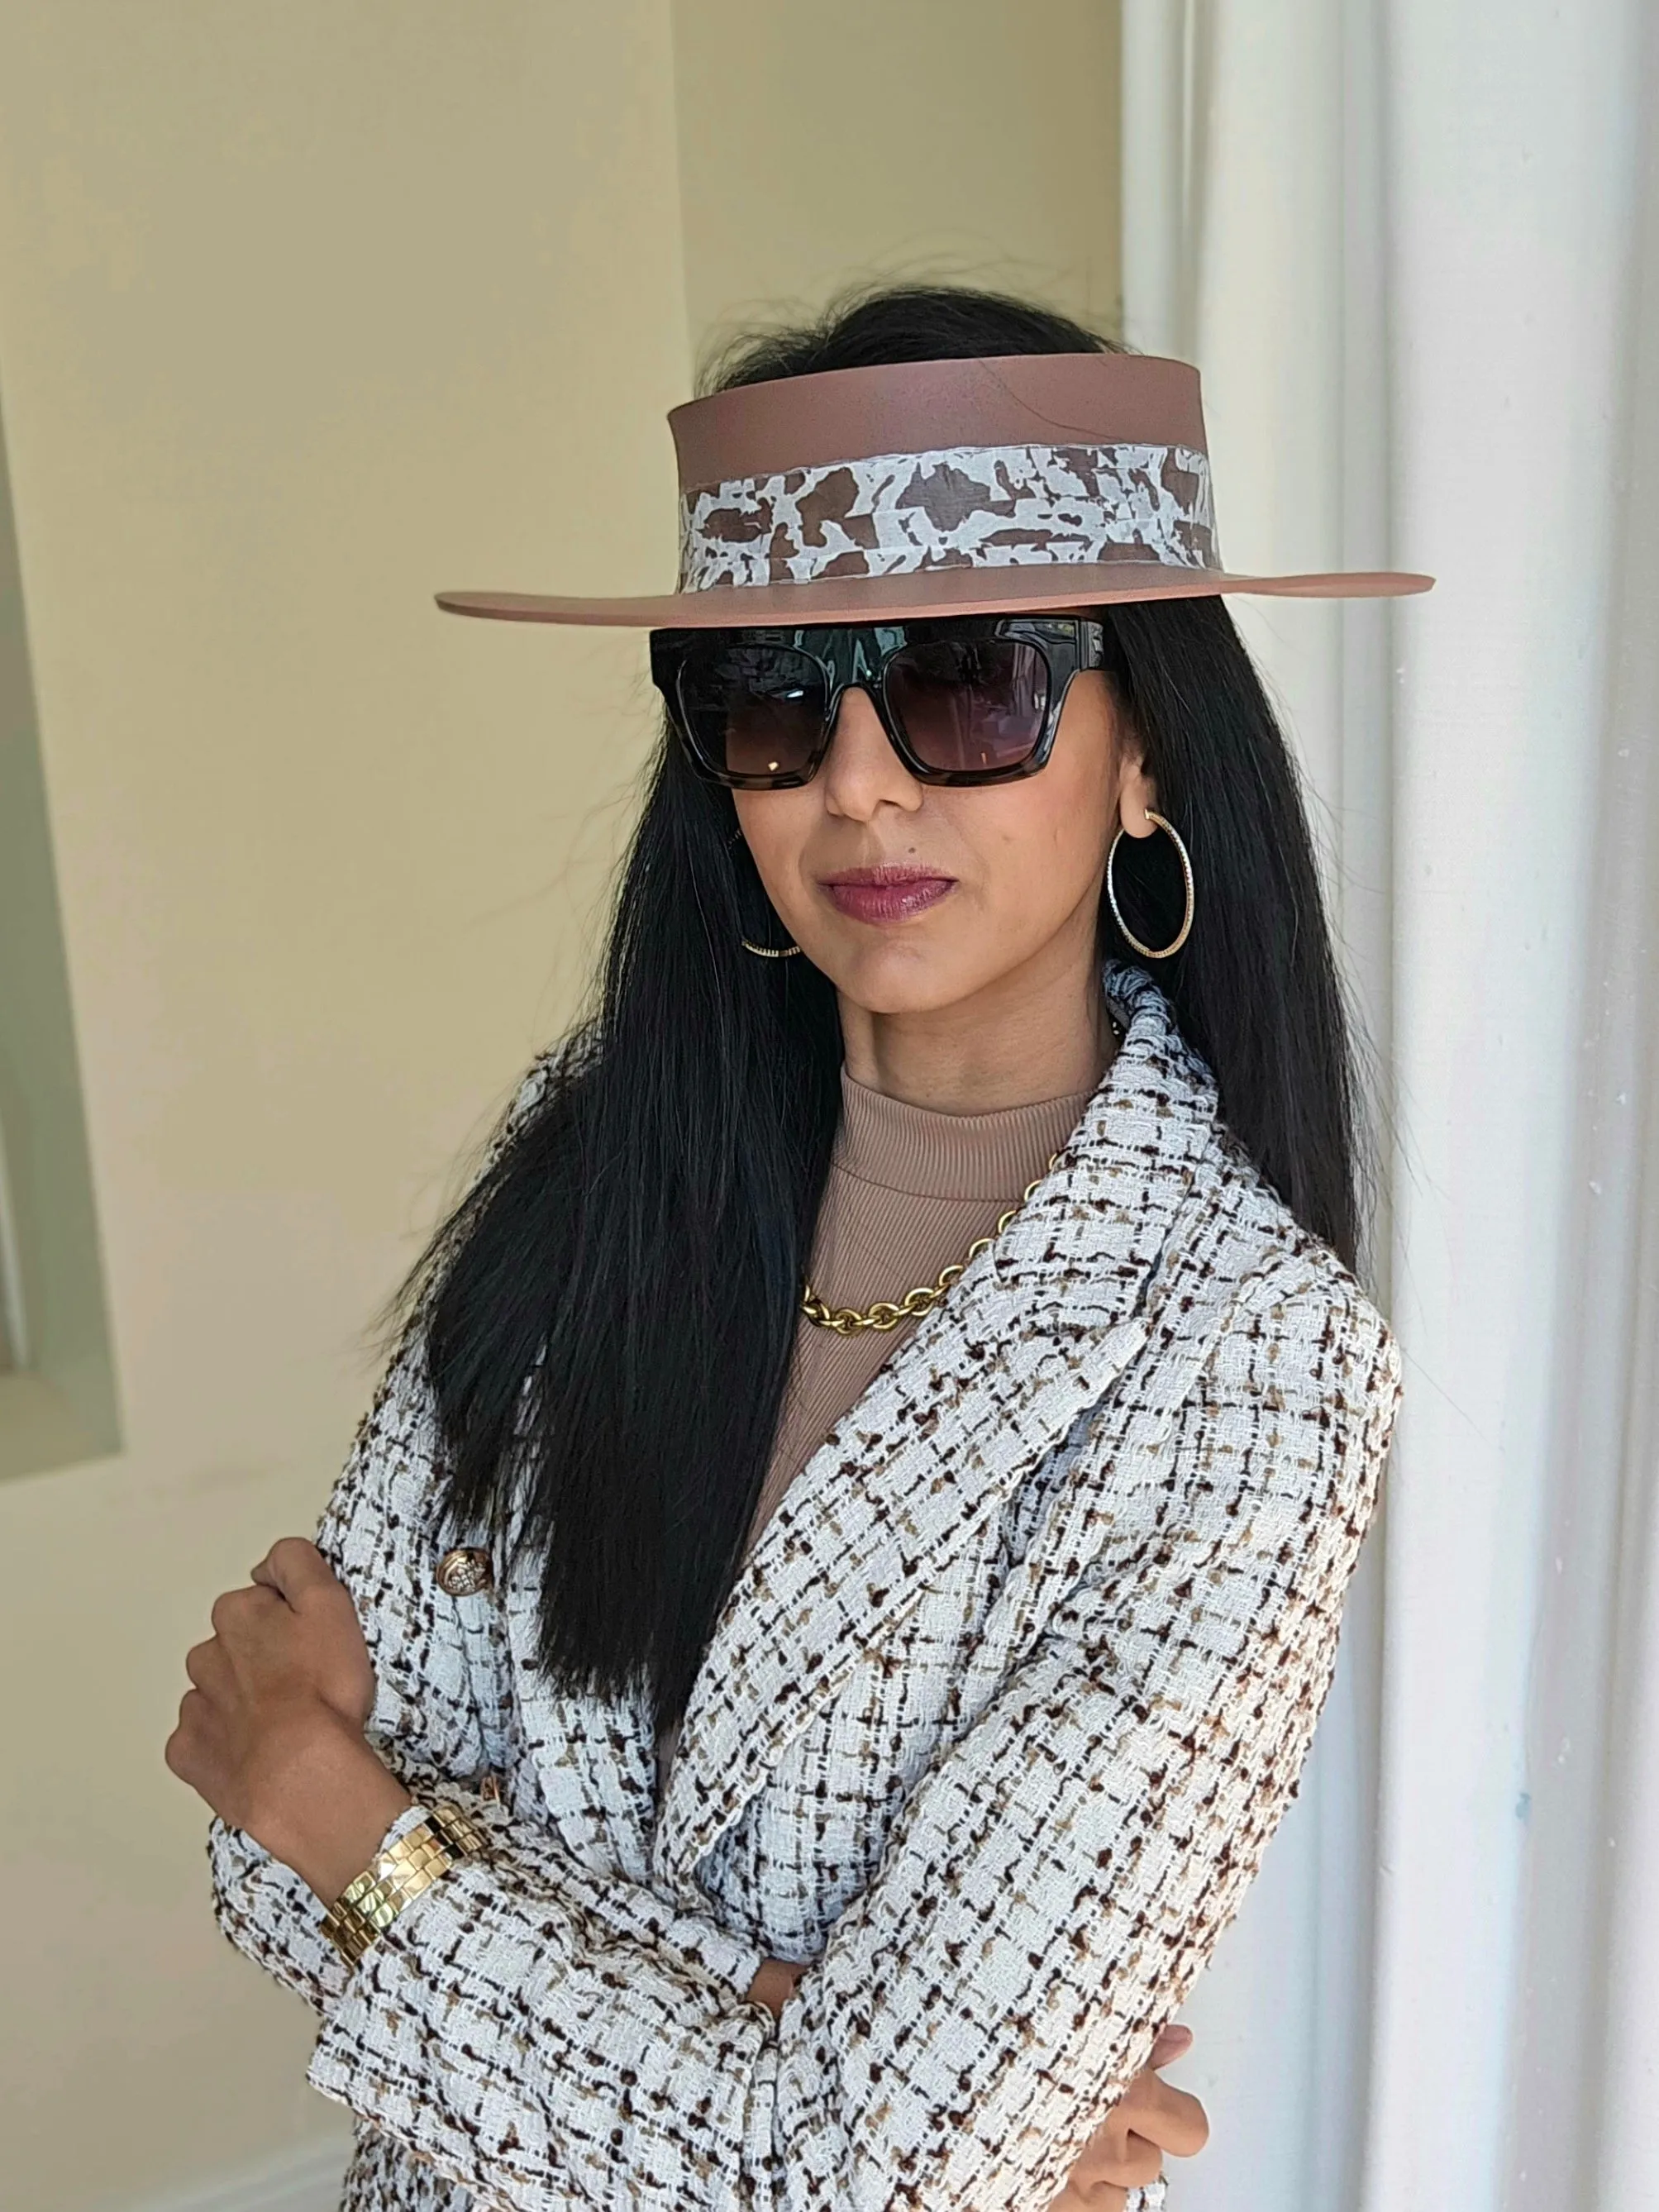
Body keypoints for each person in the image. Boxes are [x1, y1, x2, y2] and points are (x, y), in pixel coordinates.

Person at [165, 283, 1429, 2211]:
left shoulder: (1249, 1356)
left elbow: (841, 2162)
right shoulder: (594, 1158)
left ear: (1148, 746)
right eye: (776, 698)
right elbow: (252, 1839)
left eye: (970, 680)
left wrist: (376, 1835)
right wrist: (810, 2055)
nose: (859, 779)